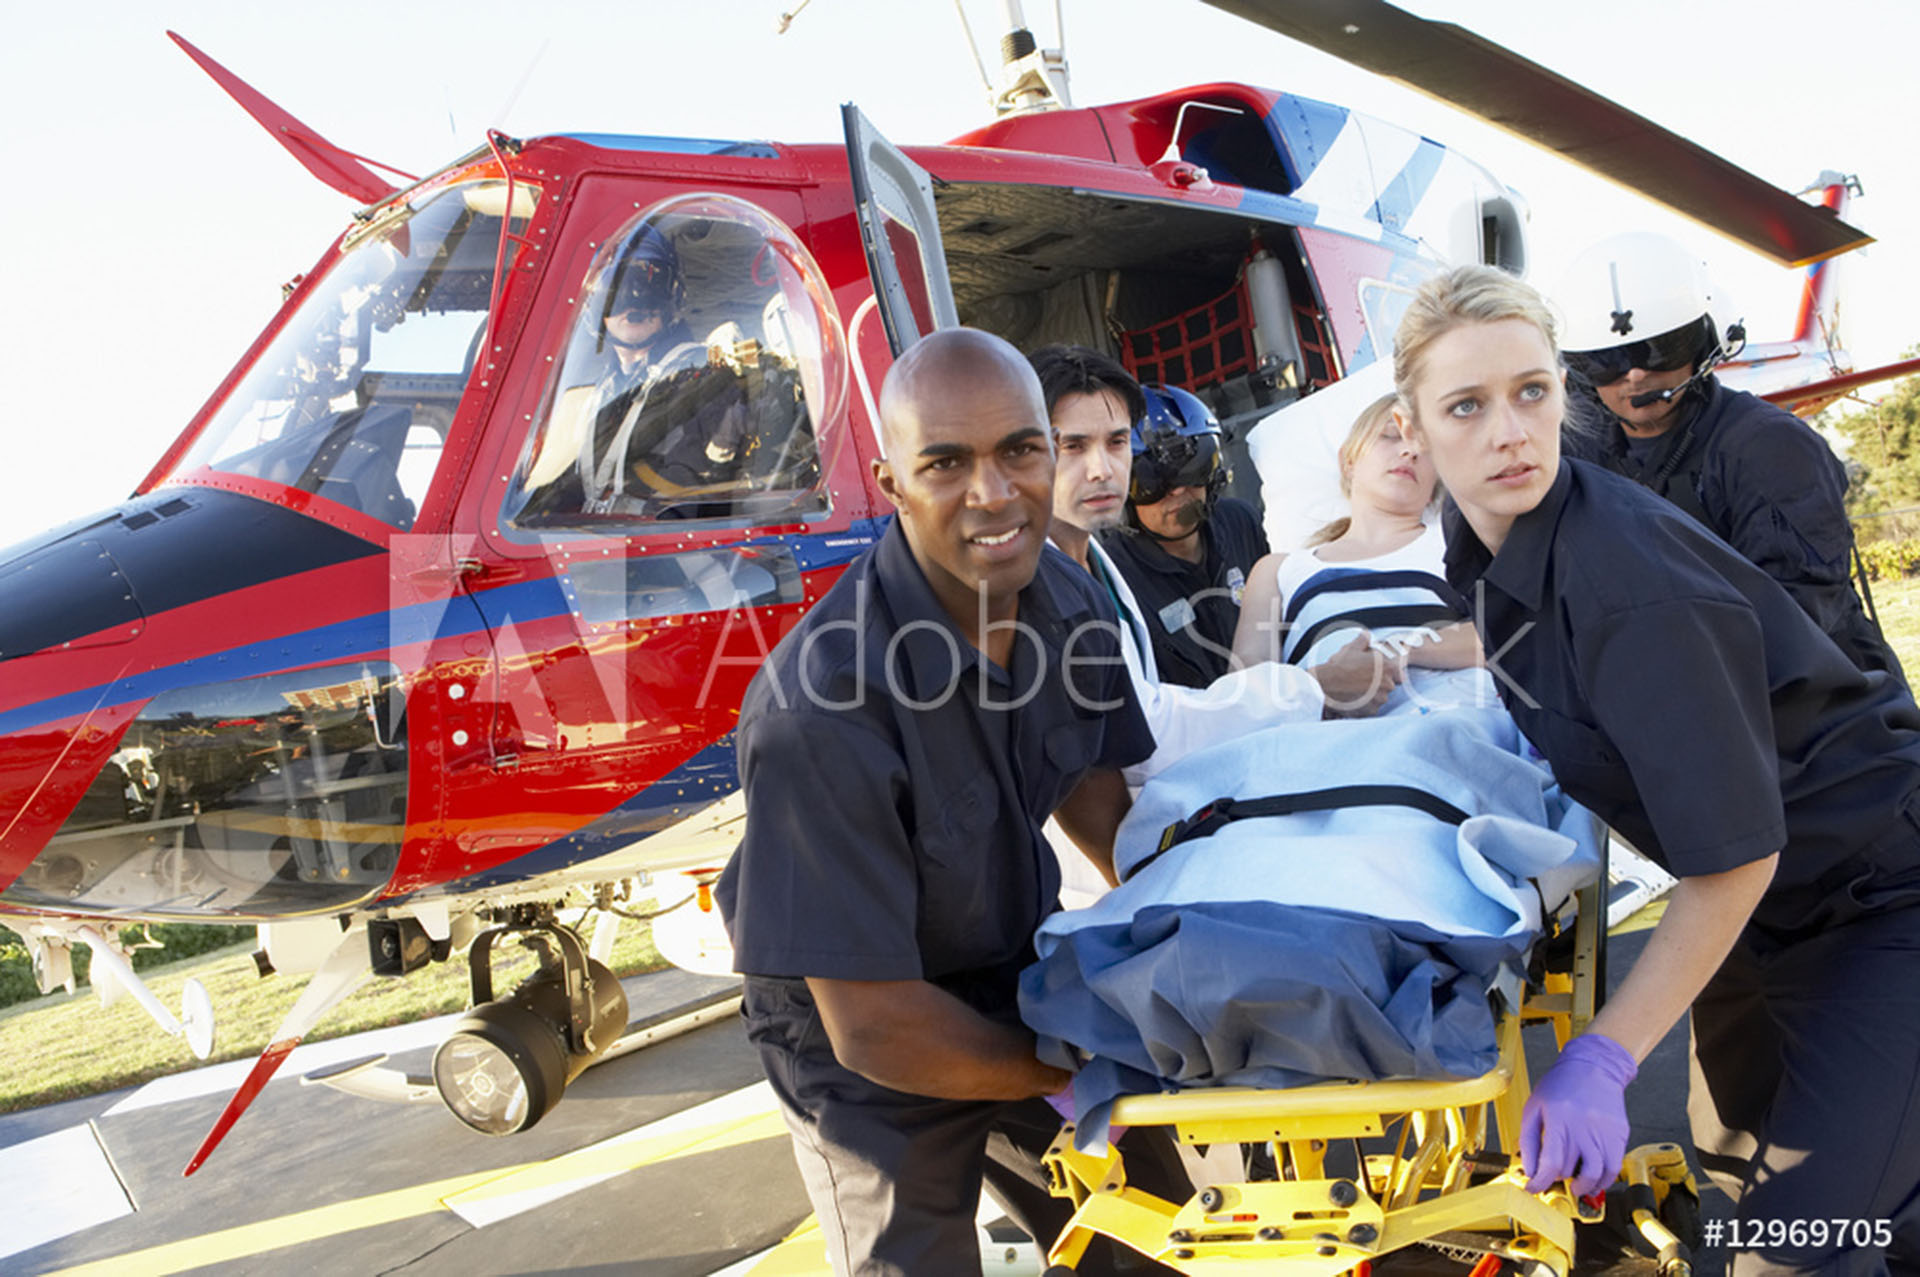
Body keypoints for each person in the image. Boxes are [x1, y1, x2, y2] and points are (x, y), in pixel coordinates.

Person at [1396, 263, 1920, 1273]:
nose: (1510, 429)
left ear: (1561, 394)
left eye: (1531, 391)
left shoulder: (1627, 584)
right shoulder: (1486, 542)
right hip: (1763, 915)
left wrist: (1603, 1052)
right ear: (1413, 433)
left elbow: (1735, 855)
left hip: (1879, 904)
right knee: (1733, 1183)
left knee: (1794, 1249)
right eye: (1467, 404)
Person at [716, 328, 1181, 1274]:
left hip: (1012, 966)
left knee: (1158, 1237)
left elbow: (1094, 779)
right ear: (893, 484)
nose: (993, 492)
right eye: (945, 462)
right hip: (860, 1029)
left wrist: (1174, 927)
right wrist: (1068, 1067)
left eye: (1019, 449)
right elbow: (874, 1024)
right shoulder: (821, 708)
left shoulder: (1067, 600)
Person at [1555, 230, 1903, 682]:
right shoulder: (1578, 451)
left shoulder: (1770, 448)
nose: (1635, 373)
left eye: (1661, 349)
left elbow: (1796, 619)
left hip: (1820, 708)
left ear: (1703, 344)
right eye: (1605, 360)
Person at [1029, 346, 1396, 772]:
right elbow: (1146, 731)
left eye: (1116, 442)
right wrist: (1315, 688)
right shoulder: (1047, 584)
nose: (1102, 469)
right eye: (1073, 446)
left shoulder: (1100, 563)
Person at [1231, 393, 1486, 712]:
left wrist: (1402, 651)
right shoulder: (1278, 570)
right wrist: (1325, 690)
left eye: (1426, 450)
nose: (1409, 451)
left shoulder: (1455, 542)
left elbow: (1507, 636)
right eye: (1390, 436)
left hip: (1450, 711)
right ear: (1348, 463)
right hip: (1326, 737)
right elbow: (1245, 691)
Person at [1099, 386, 1269, 689]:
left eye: (1193, 468)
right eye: (1150, 480)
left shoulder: (1240, 523)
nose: (1177, 491)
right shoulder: (1112, 579)